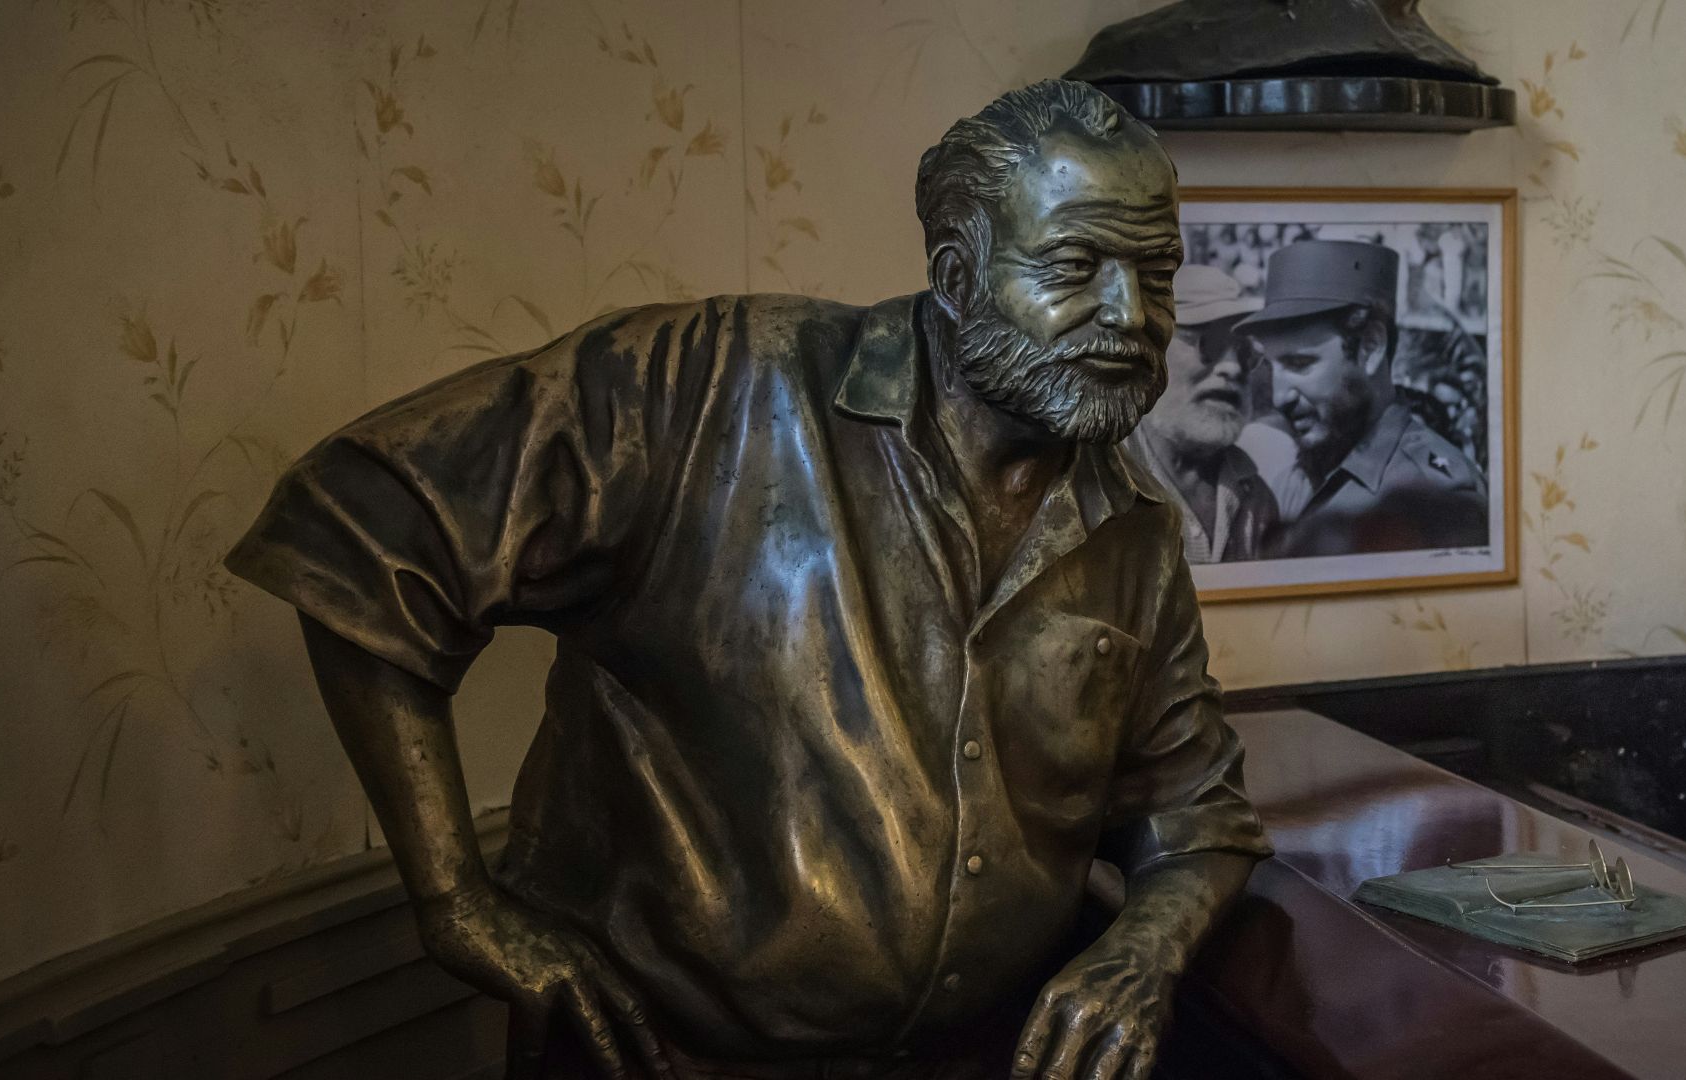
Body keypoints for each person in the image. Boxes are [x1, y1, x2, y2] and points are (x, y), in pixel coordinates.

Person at [226, 80, 1269, 1080]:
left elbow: (1195, 814)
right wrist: (455, 900)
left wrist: (1143, 955)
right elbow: (361, 527)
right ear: (957, 278)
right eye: (1077, 265)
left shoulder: (1135, 528)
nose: (1133, 313)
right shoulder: (707, 383)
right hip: (664, 1060)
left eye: (1158, 273)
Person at [1244, 239, 1489, 557]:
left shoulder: (1439, 497)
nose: (1279, 397)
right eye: (1270, 366)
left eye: (1300, 363)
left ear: (1370, 347)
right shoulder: (1296, 479)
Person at [1128, 264, 1279, 563]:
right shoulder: (1097, 486)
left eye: (1245, 352)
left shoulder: (1257, 499)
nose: (1233, 367)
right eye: (1211, 342)